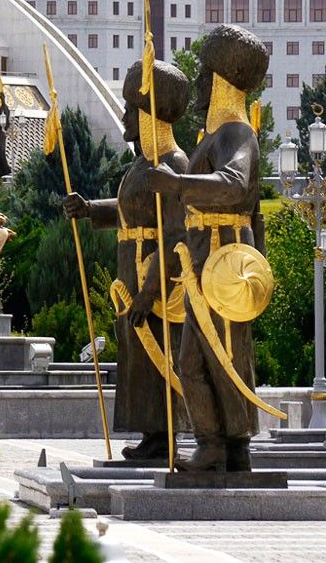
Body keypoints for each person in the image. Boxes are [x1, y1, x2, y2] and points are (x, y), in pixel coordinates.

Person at [146, 24, 270, 472]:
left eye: (203, 73)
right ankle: (222, 443)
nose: (197, 81)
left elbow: (235, 186)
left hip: (223, 258)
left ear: (220, 80)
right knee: (204, 356)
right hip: (206, 257)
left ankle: (223, 442)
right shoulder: (212, 137)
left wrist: (178, 182)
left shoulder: (236, 134)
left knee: (218, 355)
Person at [64, 59, 190, 462]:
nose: (123, 116)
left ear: (150, 114)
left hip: (155, 283)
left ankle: (164, 434)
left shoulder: (174, 166)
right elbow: (128, 210)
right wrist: (90, 210)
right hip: (129, 273)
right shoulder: (142, 164)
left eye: (130, 109)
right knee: (136, 358)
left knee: (157, 355)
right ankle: (153, 433)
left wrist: (150, 289)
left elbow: (175, 234)